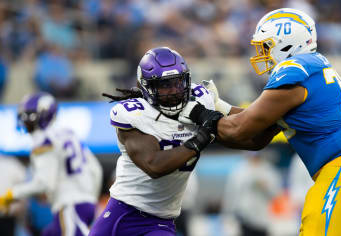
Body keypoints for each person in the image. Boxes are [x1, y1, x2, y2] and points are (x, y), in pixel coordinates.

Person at [179, 8, 341, 236]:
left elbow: (238, 129)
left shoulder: (294, 69)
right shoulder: (310, 69)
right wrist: (219, 107)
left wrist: (200, 114)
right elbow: (255, 138)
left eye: (266, 46)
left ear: (286, 43)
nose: (261, 54)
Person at [89, 47, 279, 236]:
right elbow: (154, 165)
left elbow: (252, 139)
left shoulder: (200, 100)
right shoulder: (134, 114)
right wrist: (203, 136)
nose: (173, 92)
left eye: (178, 83)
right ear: (147, 87)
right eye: (164, 85)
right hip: (122, 213)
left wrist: (279, 118)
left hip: (159, 221)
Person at [0, 92, 103, 236]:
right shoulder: (68, 133)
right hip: (84, 203)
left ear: (43, 114)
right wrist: (90, 198)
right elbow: (95, 169)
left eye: (29, 114)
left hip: (70, 206)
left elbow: (44, 184)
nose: (25, 120)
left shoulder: (43, 141)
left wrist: (12, 194)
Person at [222, 151, 281, 236]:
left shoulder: (268, 170)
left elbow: (276, 193)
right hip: (244, 218)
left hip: (263, 219)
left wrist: (265, 186)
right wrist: (228, 213)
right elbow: (231, 193)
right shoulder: (239, 170)